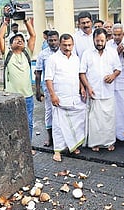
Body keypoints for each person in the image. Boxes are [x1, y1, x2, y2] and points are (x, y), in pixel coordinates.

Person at [45, 34, 86, 162]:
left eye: (69, 45)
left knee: (76, 122)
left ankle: (72, 146)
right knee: (58, 125)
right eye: (65, 45)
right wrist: (53, 95)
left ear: (73, 45)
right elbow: (48, 79)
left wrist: (82, 88)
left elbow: (77, 76)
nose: (67, 48)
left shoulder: (76, 58)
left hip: (74, 96)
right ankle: (57, 151)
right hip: (59, 97)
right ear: (60, 45)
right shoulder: (53, 59)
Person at [80, 28, 122, 152]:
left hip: (108, 91)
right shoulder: (87, 53)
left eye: (102, 40)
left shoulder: (112, 52)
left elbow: (118, 68)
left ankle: (109, 142)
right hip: (93, 91)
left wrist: (113, 76)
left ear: (106, 40)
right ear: (93, 40)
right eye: (97, 40)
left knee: (108, 118)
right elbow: (82, 72)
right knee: (94, 119)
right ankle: (95, 143)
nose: (99, 43)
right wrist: (88, 87)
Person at [0, 15, 36, 142]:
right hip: (11, 96)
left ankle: (28, 146)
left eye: (22, 40)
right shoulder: (7, 55)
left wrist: (25, 20)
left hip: (28, 96)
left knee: (29, 123)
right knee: (12, 124)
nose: (20, 40)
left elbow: (33, 36)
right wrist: (6, 22)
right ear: (10, 44)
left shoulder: (27, 54)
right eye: (16, 39)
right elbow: (0, 37)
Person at [107, 24, 124, 143]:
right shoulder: (108, 45)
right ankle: (114, 135)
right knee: (114, 110)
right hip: (112, 82)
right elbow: (106, 62)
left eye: (119, 35)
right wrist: (116, 54)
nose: (117, 37)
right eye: (115, 35)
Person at [35, 30, 60, 147]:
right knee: (49, 113)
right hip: (48, 90)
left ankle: (63, 138)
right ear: (47, 41)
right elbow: (38, 73)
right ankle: (50, 138)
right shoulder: (43, 54)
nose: (53, 43)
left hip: (62, 88)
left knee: (62, 114)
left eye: (55, 40)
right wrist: (37, 90)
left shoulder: (64, 52)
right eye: (51, 41)